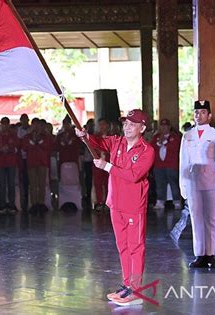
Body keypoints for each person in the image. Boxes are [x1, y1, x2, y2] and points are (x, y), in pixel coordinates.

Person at [76, 109, 155, 306]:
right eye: (125, 123)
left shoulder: (147, 151)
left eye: (132, 124)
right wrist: (85, 136)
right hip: (116, 204)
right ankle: (127, 285)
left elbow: (134, 175)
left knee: (136, 247)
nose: (127, 127)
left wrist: (107, 167)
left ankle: (135, 291)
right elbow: (98, 142)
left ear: (142, 128)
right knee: (123, 246)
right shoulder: (117, 141)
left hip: (134, 206)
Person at [180, 100, 215, 269]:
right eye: (196, 112)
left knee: (211, 219)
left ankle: (211, 254)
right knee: (196, 219)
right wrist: (183, 185)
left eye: (202, 112)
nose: (198, 115)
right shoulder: (188, 135)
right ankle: (199, 254)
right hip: (193, 183)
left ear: (209, 115)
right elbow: (183, 162)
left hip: (211, 182)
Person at [150, 118, 181, 210]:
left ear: (169, 127)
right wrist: (159, 142)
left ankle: (177, 201)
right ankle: (160, 201)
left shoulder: (174, 137)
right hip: (159, 165)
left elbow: (175, 147)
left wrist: (164, 142)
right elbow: (151, 147)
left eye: (165, 126)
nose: (164, 128)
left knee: (174, 184)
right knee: (160, 184)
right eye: (162, 126)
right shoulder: (156, 137)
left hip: (171, 165)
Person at [0, 117, 19, 215]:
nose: (5, 125)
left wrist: (8, 149)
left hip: (11, 163)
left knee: (11, 184)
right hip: (0, 163)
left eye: (6, 123)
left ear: (9, 124)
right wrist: (1, 150)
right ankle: (2, 206)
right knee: (1, 185)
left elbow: (16, 149)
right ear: (1, 124)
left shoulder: (13, 135)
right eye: (3, 123)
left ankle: (11, 205)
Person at [22, 118, 52, 208]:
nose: (36, 126)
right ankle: (34, 204)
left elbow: (48, 146)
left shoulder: (45, 136)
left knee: (42, 184)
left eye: (37, 124)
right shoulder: (27, 136)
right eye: (34, 124)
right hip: (31, 163)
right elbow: (24, 147)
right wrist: (33, 142)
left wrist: (38, 142)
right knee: (33, 184)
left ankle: (41, 203)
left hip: (42, 162)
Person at [92, 118, 111, 212]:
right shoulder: (96, 137)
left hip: (109, 163)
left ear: (107, 126)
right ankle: (99, 202)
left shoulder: (112, 137)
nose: (102, 127)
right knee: (98, 183)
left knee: (108, 183)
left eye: (103, 124)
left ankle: (108, 202)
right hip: (98, 163)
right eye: (100, 125)